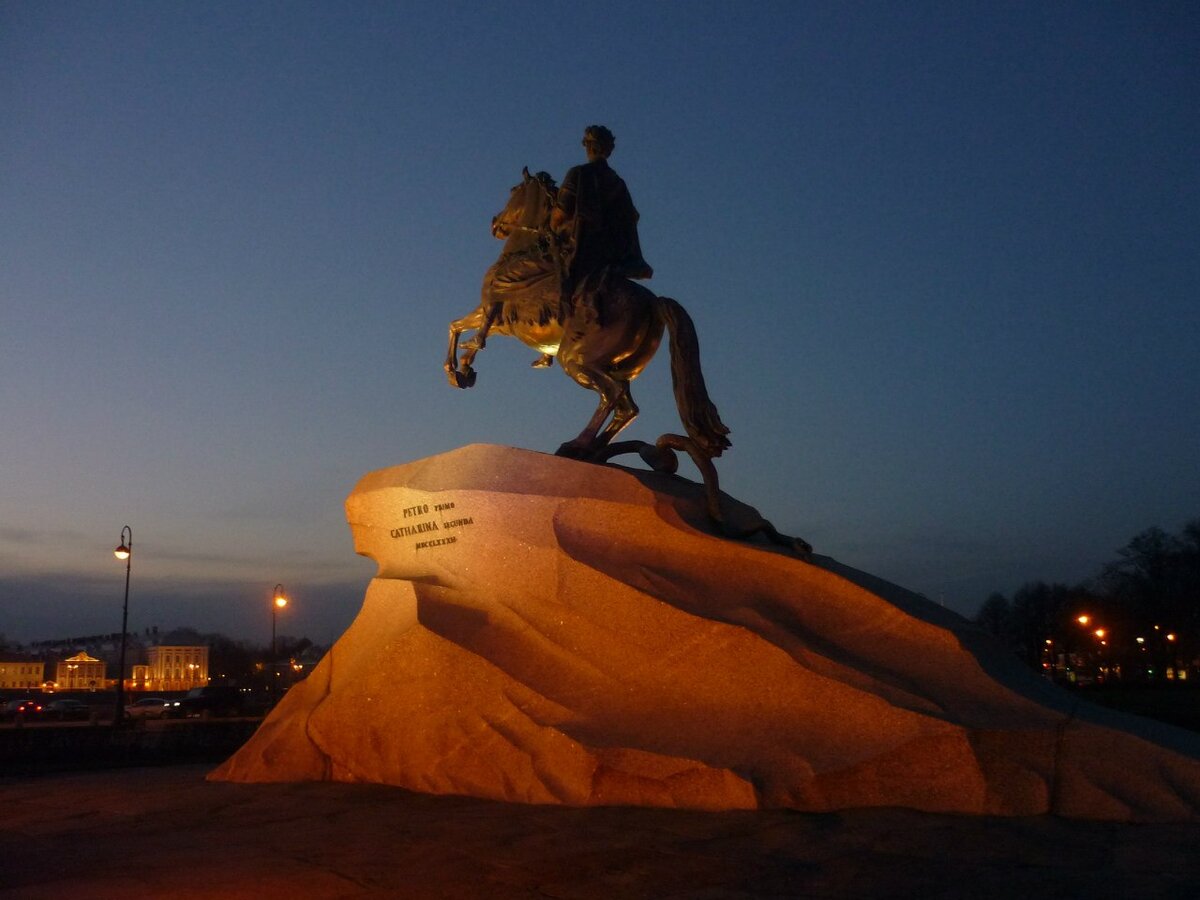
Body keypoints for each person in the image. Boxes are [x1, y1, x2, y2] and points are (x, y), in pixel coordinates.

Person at [551, 125, 652, 315]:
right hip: (617, 255)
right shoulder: (618, 183)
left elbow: (562, 212)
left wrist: (552, 222)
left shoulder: (579, 173)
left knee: (554, 262)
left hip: (585, 249)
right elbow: (632, 216)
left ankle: (563, 306)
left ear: (589, 147)